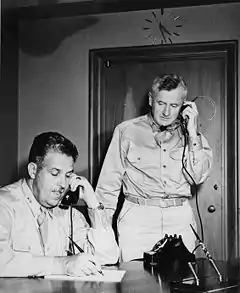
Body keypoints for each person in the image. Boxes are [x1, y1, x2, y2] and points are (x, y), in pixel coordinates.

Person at [95, 73, 213, 262]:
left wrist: (192, 133)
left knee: (183, 283)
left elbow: (198, 177)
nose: (166, 112)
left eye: (174, 105)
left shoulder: (194, 137)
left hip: (179, 218)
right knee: (136, 283)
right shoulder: (126, 131)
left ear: (184, 105)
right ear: (151, 100)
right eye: (161, 103)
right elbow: (107, 186)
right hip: (137, 218)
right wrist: (101, 232)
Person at [0, 132, 119, 277]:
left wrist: (93, 203)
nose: (63, 184)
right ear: (33, 170)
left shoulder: (67, 212)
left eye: (68, 175)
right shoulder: (4, 204)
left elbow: (108, 257)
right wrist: (63, 265)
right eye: (55, 173)